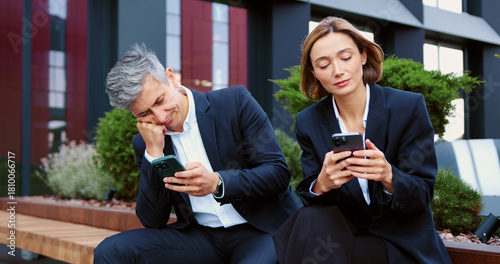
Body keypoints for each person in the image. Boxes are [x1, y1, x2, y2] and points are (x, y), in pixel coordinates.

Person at [94, 44, 302, 264]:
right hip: (202, 237)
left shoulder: (234, 102)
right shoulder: (146, 143)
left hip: (261, 231)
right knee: (110, 251)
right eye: (145, 113)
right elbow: (153, 220)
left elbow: (277, 173)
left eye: (160, 100)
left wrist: (217, 183)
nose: (160, 116)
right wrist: (153, 153)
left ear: (171, 78)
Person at [272, 16, 452, 264]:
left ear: (363, 56)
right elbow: (315, 203)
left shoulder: (407, 107)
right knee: (310, 219)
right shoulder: (309, 121)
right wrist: (322, 184)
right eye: (324, 65)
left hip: (401, 242)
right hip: (346, 235)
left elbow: (421, 196)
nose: (338, 71)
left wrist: (389, 176)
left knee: (307, 242)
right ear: (314, 74)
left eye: (346, 58)